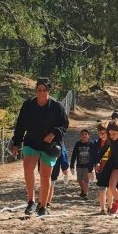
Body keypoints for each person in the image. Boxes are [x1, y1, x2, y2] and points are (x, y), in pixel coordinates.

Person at [10, 79, 69, 217]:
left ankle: (43, 206)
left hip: (49, 145)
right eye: (39, 90)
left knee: (45, 175)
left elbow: (64, 124)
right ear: (36, 91)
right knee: (27, 166)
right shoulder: (28, 105)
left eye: (44, 90)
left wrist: (54, 133)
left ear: (49, 91)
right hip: (31, 141)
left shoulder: (56, 106)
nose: (41, 93)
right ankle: (31, 201)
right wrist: (16, 142)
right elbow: (20, 125)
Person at [69, 129, 95, 200]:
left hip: (88, 166)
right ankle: (83, 190)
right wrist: (71, 165)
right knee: (79, 179)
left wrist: (94, 165)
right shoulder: (77, 144)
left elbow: (94, 155)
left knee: (86, 180)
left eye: (86, 134)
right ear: (80, 136)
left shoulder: (91, 144)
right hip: (79, 165)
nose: (84, 135)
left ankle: (85, 194)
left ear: (88, 136)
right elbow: (74, 155)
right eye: (82, 134)